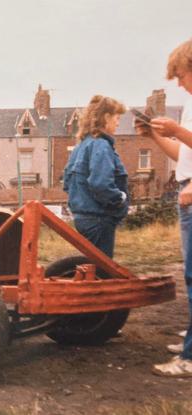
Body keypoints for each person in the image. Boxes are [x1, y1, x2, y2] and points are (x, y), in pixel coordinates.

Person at [136, 38, 192, 377]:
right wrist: (158, 136)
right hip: (186, 190)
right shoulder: (189, 105)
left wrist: (176, 130)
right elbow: (182, 155)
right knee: (189, 275)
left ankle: (190, 357)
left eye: (182, 74)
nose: (179, 83)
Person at [62, 95, 129, 258]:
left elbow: (66, 184)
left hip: (82, 218)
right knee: (102, 272)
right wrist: (120, 197)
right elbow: (100, 184)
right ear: (106, 117)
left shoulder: (81, 146)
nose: (118, 123)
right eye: (117, 118)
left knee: (90, 269)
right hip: (99, 219)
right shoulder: (102, 145)